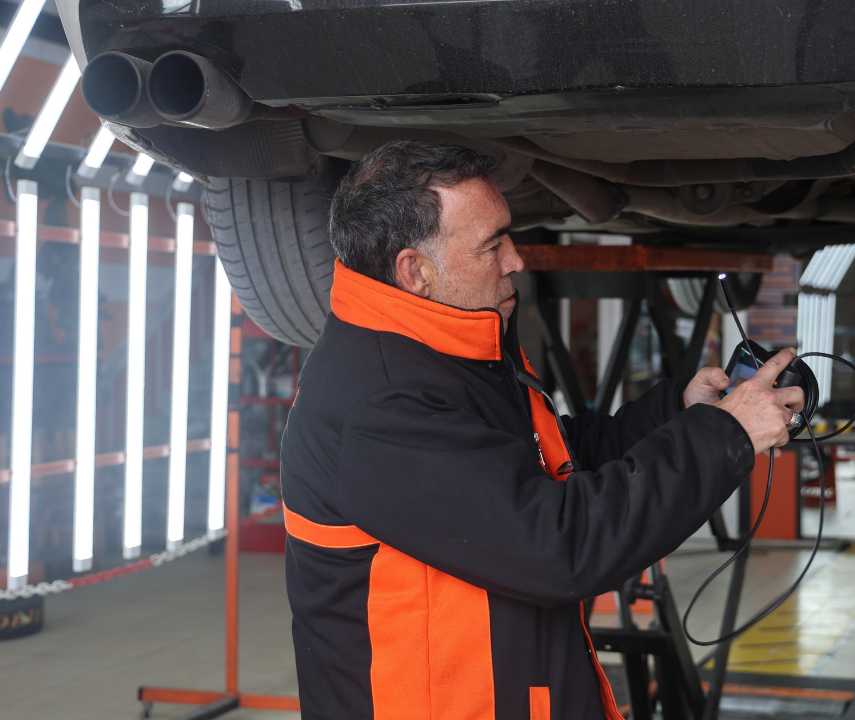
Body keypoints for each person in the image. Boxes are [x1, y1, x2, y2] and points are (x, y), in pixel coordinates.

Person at [280, 141, 803, 720]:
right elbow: (560, 547)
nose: (516, 261)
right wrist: (724, 435)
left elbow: (541, 466)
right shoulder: (379, 407)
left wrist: (678, 412)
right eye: (492, 246)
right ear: (416, 272)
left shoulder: (435, 348)